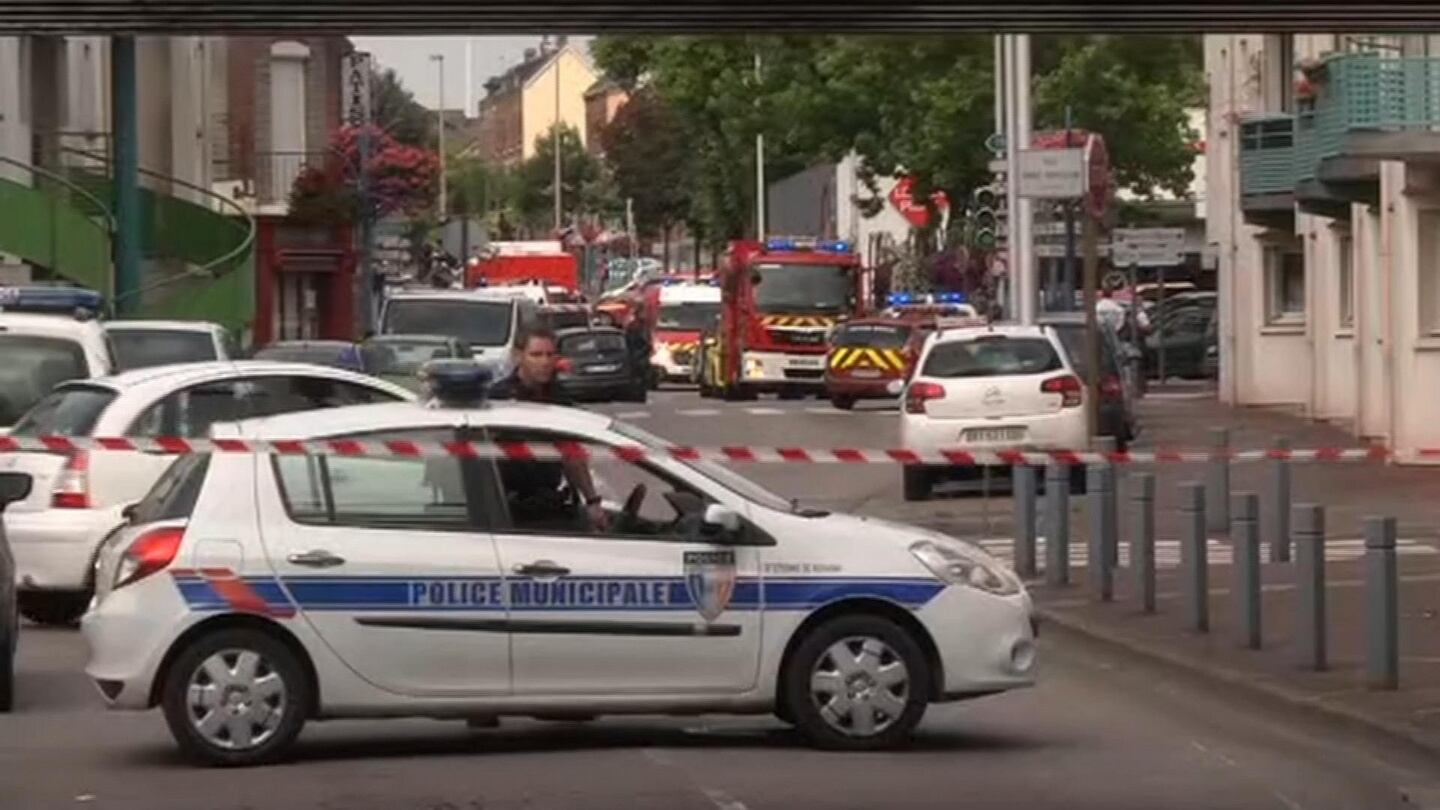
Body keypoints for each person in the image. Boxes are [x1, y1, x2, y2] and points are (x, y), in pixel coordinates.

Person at [489, 327, 608, 531]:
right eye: (536, 355)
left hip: (546, 502)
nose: (544, 362)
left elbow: (572, 455)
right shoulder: (499, 399)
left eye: (550, 355)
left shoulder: (559, 399)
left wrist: (592, 501)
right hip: (507, 510)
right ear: (519, 356)